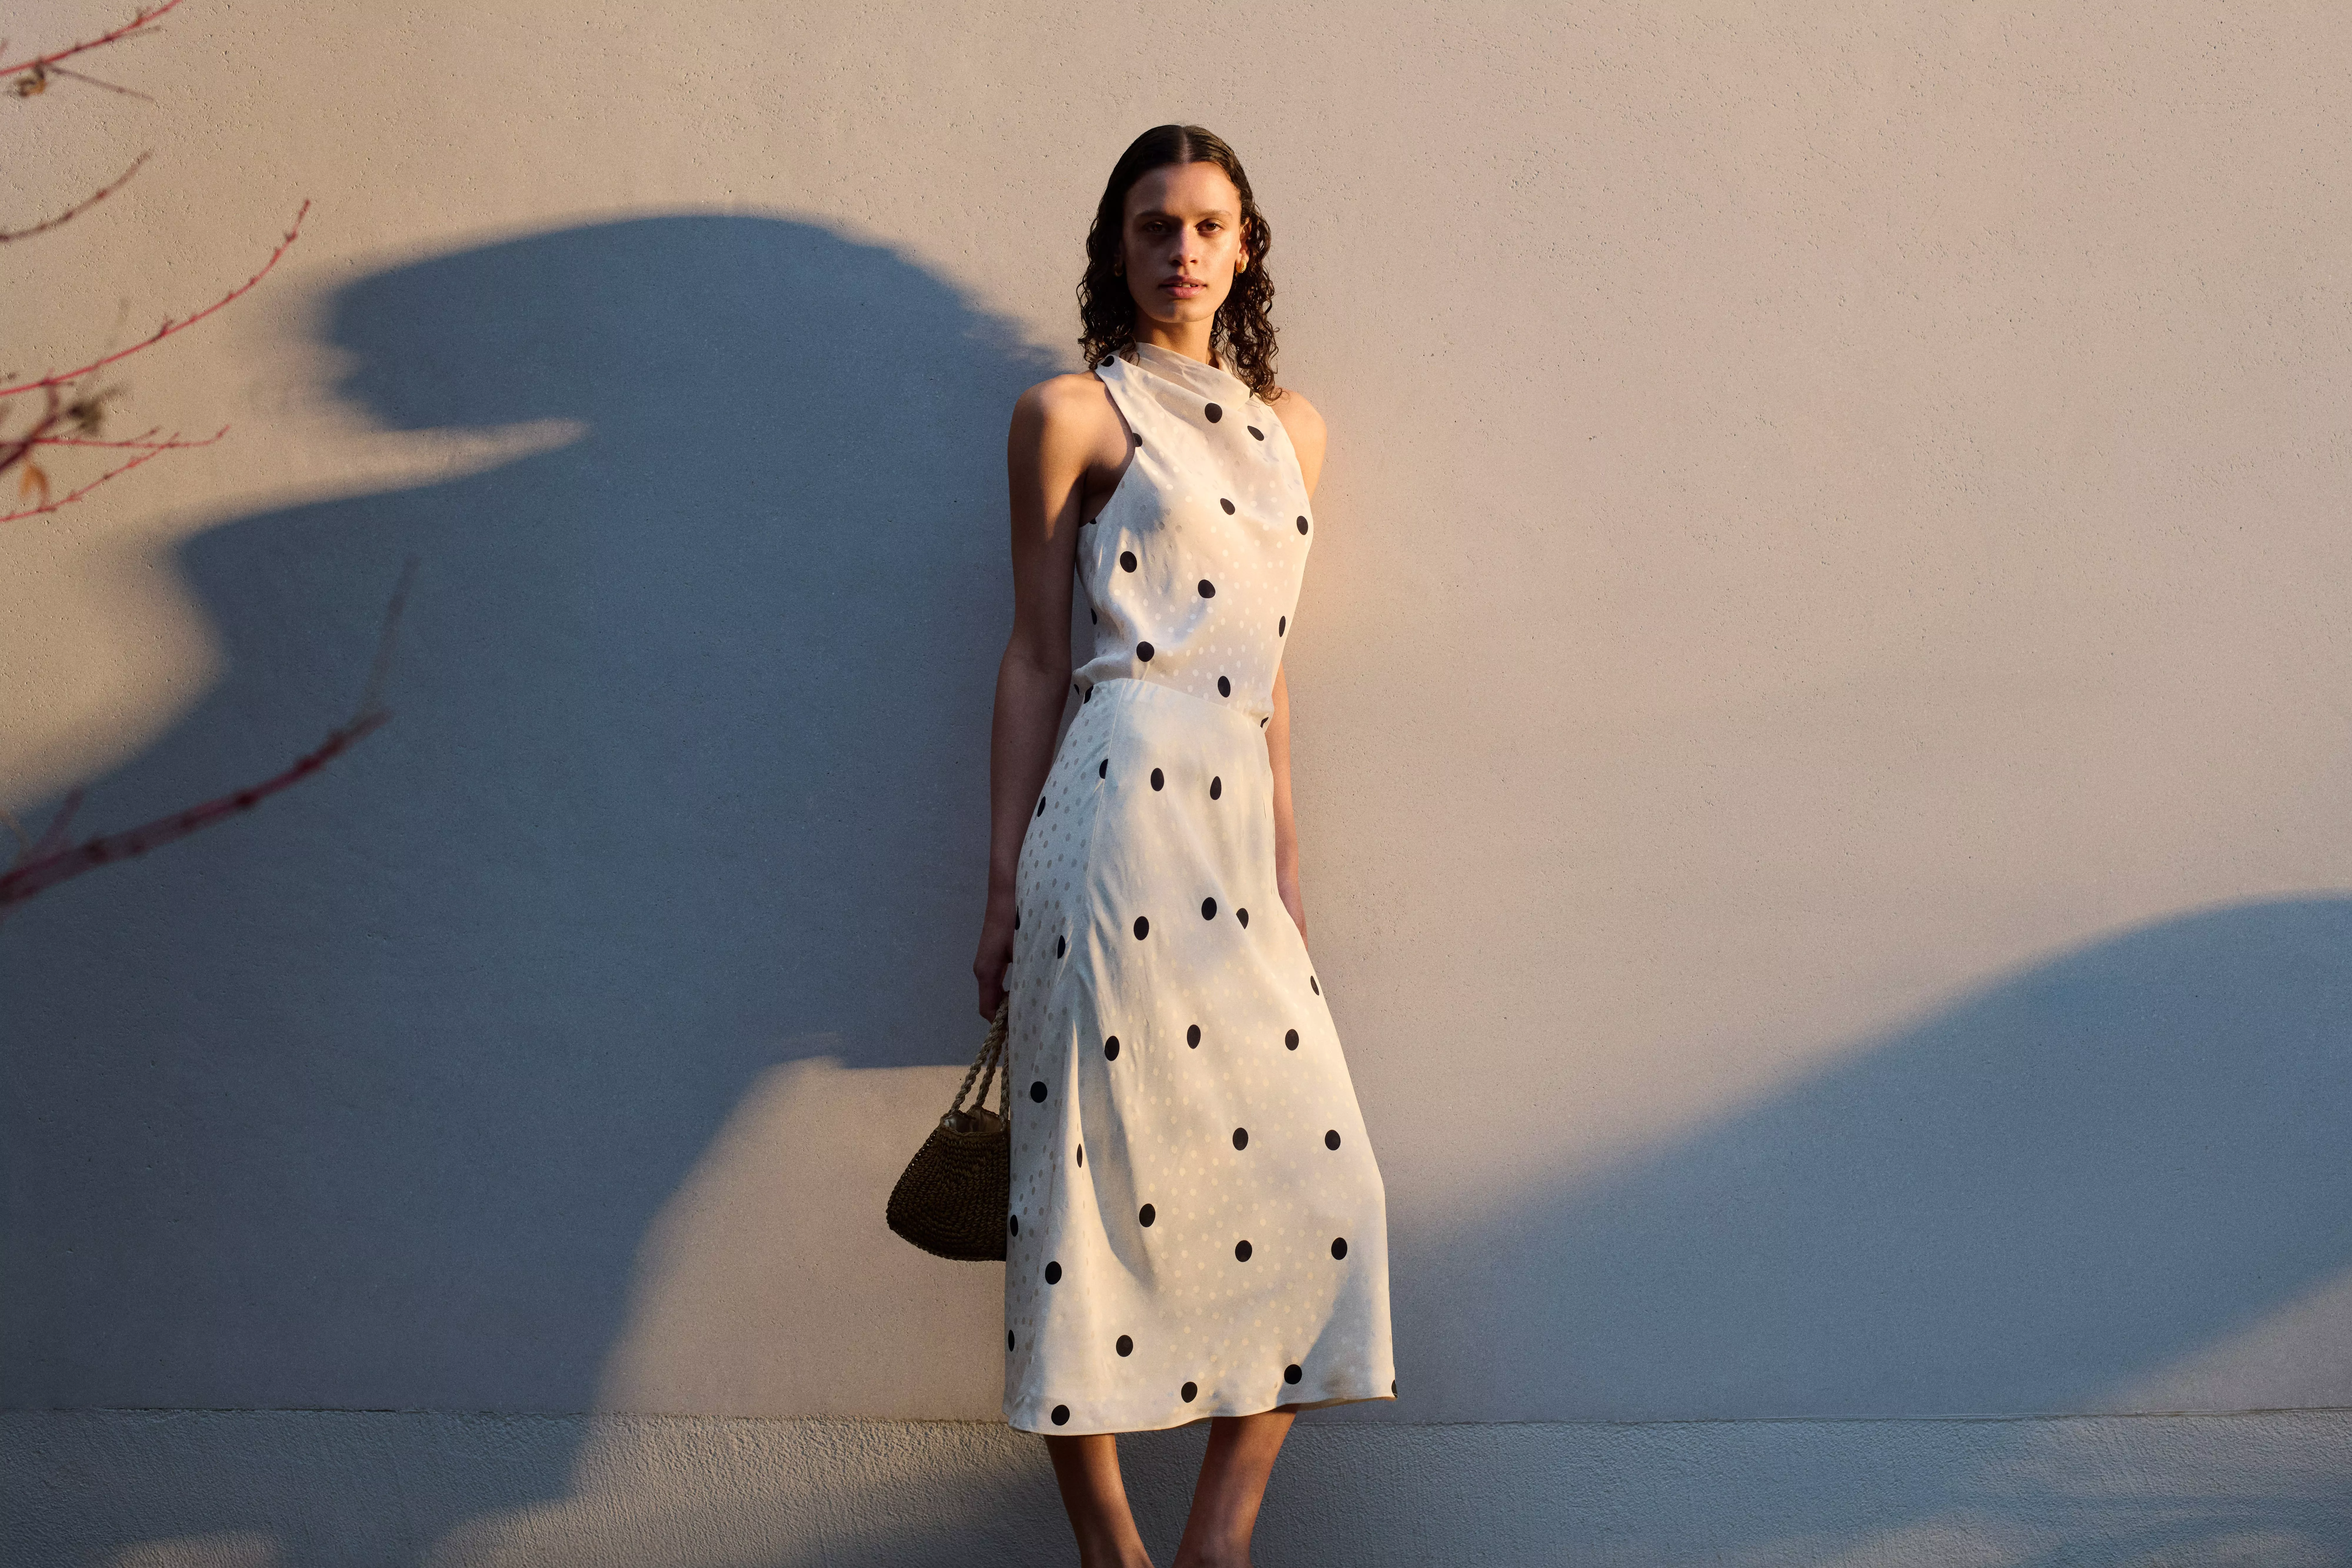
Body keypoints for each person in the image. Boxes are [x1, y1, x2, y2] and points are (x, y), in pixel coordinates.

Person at [973, 123, 1396, 1568]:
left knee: (1326, 1194)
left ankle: (1216, 1547)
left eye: (1210, 225)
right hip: (1110, 815)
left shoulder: (1296, 432)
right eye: (1156, 225)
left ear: (1247, 246)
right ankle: (1111, 1548)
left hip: (1231, 835)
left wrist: (1286, 873)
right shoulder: (1070, 416)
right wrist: (1000, 885)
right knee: (1079, 1183)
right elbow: (1036, 658)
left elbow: (1268, 675)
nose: (1184, 250)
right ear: (1118, 247)